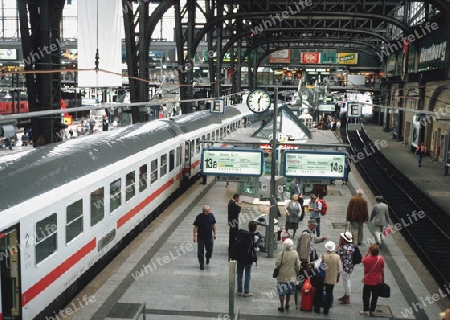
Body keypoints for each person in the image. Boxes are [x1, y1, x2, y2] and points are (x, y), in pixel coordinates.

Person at [313, 241, 340, 315]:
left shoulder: (322, 256)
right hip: (331, 278)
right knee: (329, 293)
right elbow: (339, 269)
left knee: (319, 292)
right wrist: (338, 276)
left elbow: (316, 266)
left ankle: (317, 307)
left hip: (321, 278)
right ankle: (326, 309)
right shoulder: (337, 257)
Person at [275, 238, 300, 312]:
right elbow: (298, 265)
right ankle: (287, 304)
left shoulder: (281, 253)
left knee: (281, 292)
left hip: (282, 276)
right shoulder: (295, 253)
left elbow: (277, 263)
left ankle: (282, 305)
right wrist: (297, 272)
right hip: (291, 276)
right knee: (288, 292)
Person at [361, 244, 385, 316]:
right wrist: (382, 280)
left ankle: (366, 310)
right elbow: (382, 270)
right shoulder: (381, 259)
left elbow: (362, 261)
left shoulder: (367, 259)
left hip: (368, 281)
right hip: (377, 281)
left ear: (370, 252)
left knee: (366, 296)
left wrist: (366, 253)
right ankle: (372, 309)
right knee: (375, 296)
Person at [236, 221, 258, 297]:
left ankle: (239, 290)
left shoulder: (242, 235)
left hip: (240, 257)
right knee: (247, 274)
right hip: (248, 258)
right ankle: (246, 291)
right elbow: (255, 248)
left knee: (239, 274)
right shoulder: (254, 237)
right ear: (255, 228)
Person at [193, 205, 217, 270]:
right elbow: (195, 227)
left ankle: (208, 257)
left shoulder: (211, 216)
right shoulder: (199, 217)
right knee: (200, 251)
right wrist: (194, 236)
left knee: (210, 250)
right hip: (200, 237)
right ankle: (201, 264)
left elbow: (213, 225)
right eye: (209, 209)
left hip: (209, 237)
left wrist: (215, 233)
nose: (210, 210)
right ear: (206, 211)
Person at [337, 231, 355, 305]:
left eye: (341, 238)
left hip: (345, 267)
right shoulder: (352, 246)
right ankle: (346, 295)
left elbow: (336, 253)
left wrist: (339, 244)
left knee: (346, 282)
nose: (339, 238)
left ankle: (347, 298)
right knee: (347, 281)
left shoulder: (342, 248)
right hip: (350, 266)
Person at [228, 193, 241, 260]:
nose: (239, 199)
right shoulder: (233, 204)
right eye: (238, 198)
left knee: (233, 233)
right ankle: (232, 247)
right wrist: (239, 205)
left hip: (232, 221)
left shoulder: (231, 202)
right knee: (233, 234)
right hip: (233, 222)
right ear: (236, 198)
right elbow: (238, 211)